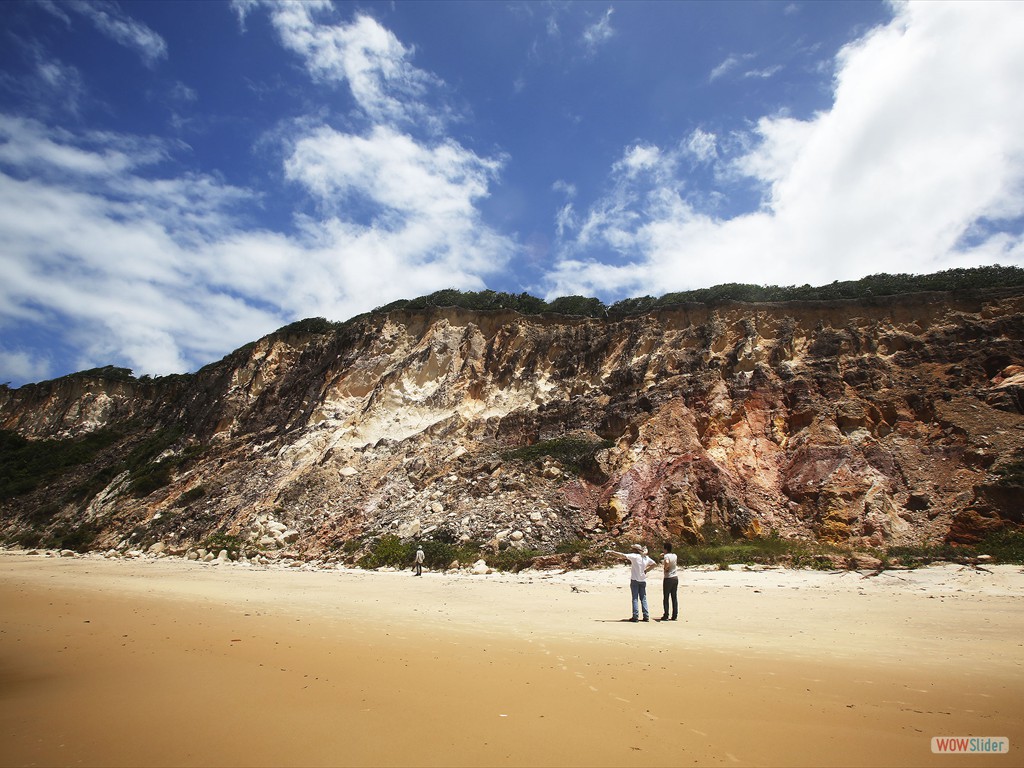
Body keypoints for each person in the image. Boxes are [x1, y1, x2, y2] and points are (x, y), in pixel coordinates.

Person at [605, 544, 656, 622]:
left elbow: (622, 555)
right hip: (643, 580)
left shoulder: (634, 556)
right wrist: (646, 570)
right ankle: (646, 616)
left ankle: (635, 616)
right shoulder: (645, 558)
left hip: (635, 580)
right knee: (643, 598)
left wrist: (611, 552)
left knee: (635, 598)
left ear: (635, 550)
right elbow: (654, 564)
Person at [660, 541, 678, 621]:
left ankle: (666, 614)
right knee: (674, 597)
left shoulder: (666, 556)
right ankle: (675, 615)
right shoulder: (674, 555)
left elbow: (667, 561)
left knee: (666, 597)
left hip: (668, 578)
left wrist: (666, 568)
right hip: (675, 577)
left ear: (665, 549)